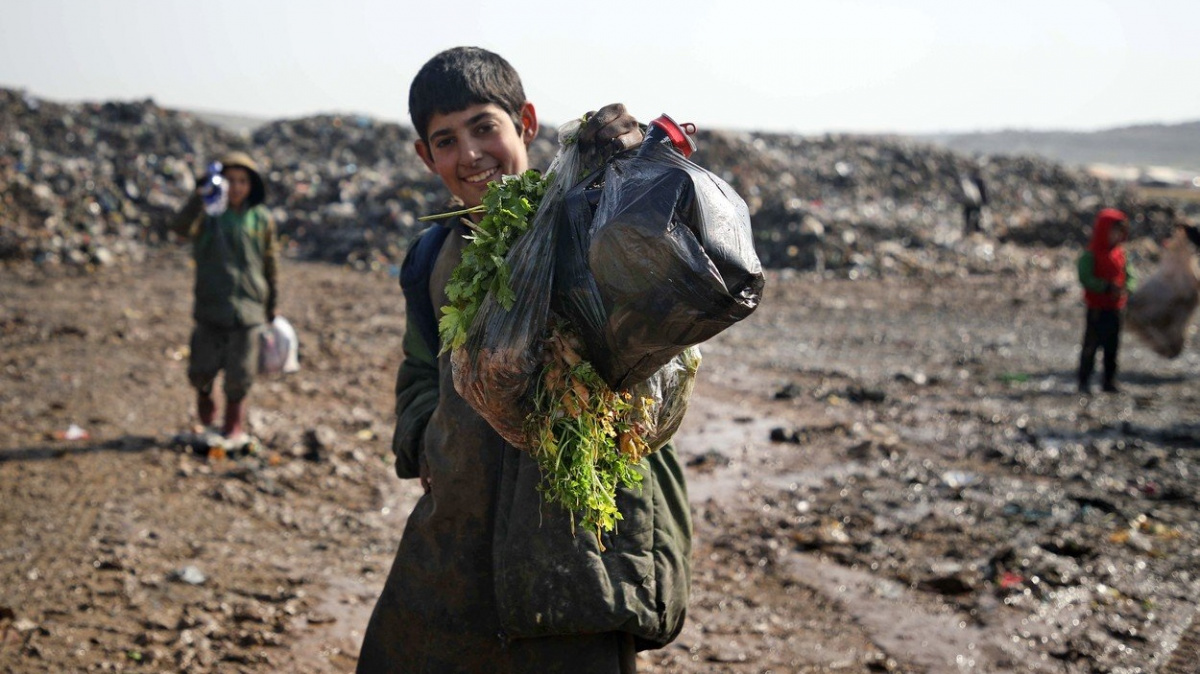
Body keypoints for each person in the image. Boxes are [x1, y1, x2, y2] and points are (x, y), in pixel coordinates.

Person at [356, 47, 691, 673]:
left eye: (485, 127)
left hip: (579, 541)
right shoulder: (433, 258)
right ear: (426, 158)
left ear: (526, 124)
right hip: (456, 540)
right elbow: (419, 369)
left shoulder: (587, 219)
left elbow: (665, 285)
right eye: (446, 140)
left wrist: (631, 167)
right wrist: (424, 442)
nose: (471, 154)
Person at [169, 152, 278, 446]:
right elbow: (179, 228)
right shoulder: (207, 215)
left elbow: (270, 264)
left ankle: (233, 426)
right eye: (229, 180)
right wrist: (199, 196)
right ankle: (206, 406)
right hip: (211, 307)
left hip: (250, 310)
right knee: (201, 370)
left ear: (251, 185)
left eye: (243, 181)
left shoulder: (262, 219)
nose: (237, 186)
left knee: (239, 376)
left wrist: (271, 306)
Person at [1077, 207, 1135, 394]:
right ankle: (1084, 381)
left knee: (1112, 347)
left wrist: (1128, 288)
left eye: (1120, 233)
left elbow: (1130, 275)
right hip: (1097, 309)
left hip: (1115, 309)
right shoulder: (1090, 254)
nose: (1117, 236)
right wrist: (1106, 287)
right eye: (1113, 232)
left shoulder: (1120, 254)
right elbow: (1085, 277)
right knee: (1091, 347)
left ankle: (1109, 381)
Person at [959, 164, 988, 236]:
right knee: (975, 215)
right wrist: (984, 201)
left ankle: (969, 229)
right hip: (976, 201)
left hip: (968, 201)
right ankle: (975, 228)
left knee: (968, 215)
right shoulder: (978, 180)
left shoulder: (967, 179)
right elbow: (982, 191)